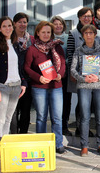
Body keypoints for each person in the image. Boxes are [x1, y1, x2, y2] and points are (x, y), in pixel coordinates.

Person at [24, 21, 66, 154]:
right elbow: (26, 67)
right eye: (43, 32)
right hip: (39, 87)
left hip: (56, 86)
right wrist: (38, 77)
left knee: (57, 117)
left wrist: (60, 74)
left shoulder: (57, 47)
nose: (46, 35)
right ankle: (41, 143)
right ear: (37, 33)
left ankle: (58, 144)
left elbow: (63, 63)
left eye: (48, 32)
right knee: (41, 116)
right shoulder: (32, 49)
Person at [0, 17, 27, 160]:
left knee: (9, 118)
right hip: (2, 87)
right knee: (0, 119)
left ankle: (6, 147)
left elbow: (18, 67)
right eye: (4, 26)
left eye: (10, 25)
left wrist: (23, 83)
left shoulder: (16, 44)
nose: (8, 28)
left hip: (16, 86)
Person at [70, 24, 100, 157]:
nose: (88, 35)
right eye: (86, 33)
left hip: (99, 86)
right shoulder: (78, 50)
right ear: (82, 36)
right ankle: (84, 145)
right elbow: (73, 69)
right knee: (85, 117)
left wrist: (97, 77)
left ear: (95, 35)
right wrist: (82, 78)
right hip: (84, 85)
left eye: (91, 33)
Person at [66, 7, 100, 137]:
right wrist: (72, 72)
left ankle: (84, 128)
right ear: (79, 17)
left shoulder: (98, 32)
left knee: (89, 102)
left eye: (89, 16)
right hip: (79, 74)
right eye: (84, 16)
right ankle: (80, 128)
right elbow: (69, 53)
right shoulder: (73, 33)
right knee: (82, 101)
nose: (87, 18)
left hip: (93, 74)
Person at [10, 12, 34, 134]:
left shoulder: (31, 40)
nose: (22, 24)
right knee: (14, 110)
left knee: (25, 110)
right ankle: (14, 136)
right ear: (14, 24)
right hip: (13, 80)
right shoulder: (9, 39)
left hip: (27, 79)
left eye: (24, 22)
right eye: (19, 22)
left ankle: (23, 134)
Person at [51, 16, 72, 136]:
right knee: (54, 102)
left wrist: (62, 69)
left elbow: (70, 54)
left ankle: (64, 125)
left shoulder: (68, 38)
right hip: (51, 75)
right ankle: (55, 126)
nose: (58, 26)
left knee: (66, 101)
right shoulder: (49, 38)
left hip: (65, 75)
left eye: (60, 24)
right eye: (55, 24)